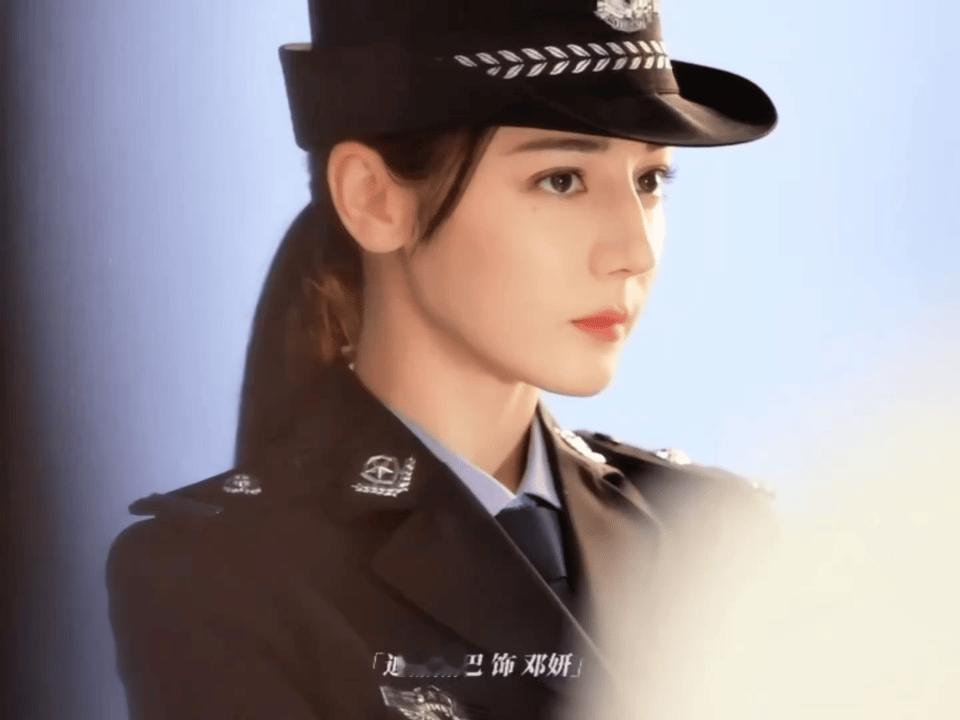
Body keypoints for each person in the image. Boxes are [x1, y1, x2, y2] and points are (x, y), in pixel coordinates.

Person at [106, 1, 779, 718]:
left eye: (649, 181)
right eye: (561, 179)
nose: (634, 250)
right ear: (373, 199)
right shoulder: (221, 576)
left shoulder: (713, 533)